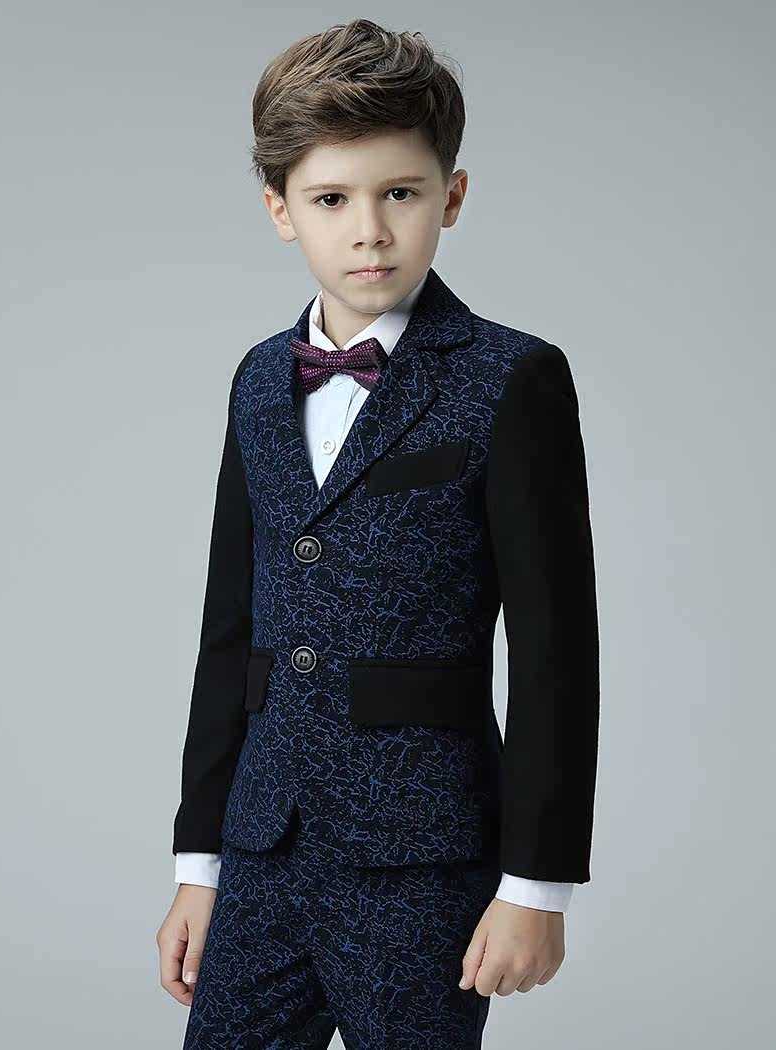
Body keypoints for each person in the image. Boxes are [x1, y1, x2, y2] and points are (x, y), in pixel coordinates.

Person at [156, 17, 600, 1049]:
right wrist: (200, 864)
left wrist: (536, 884)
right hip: (262, 847)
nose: (369, 231)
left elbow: (555, 652)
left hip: (423, 861)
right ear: (280, 210)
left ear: (452, 196)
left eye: (400, 193)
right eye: (330, 200)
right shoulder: (259, 379)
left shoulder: (512, 378)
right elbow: (231, 634)